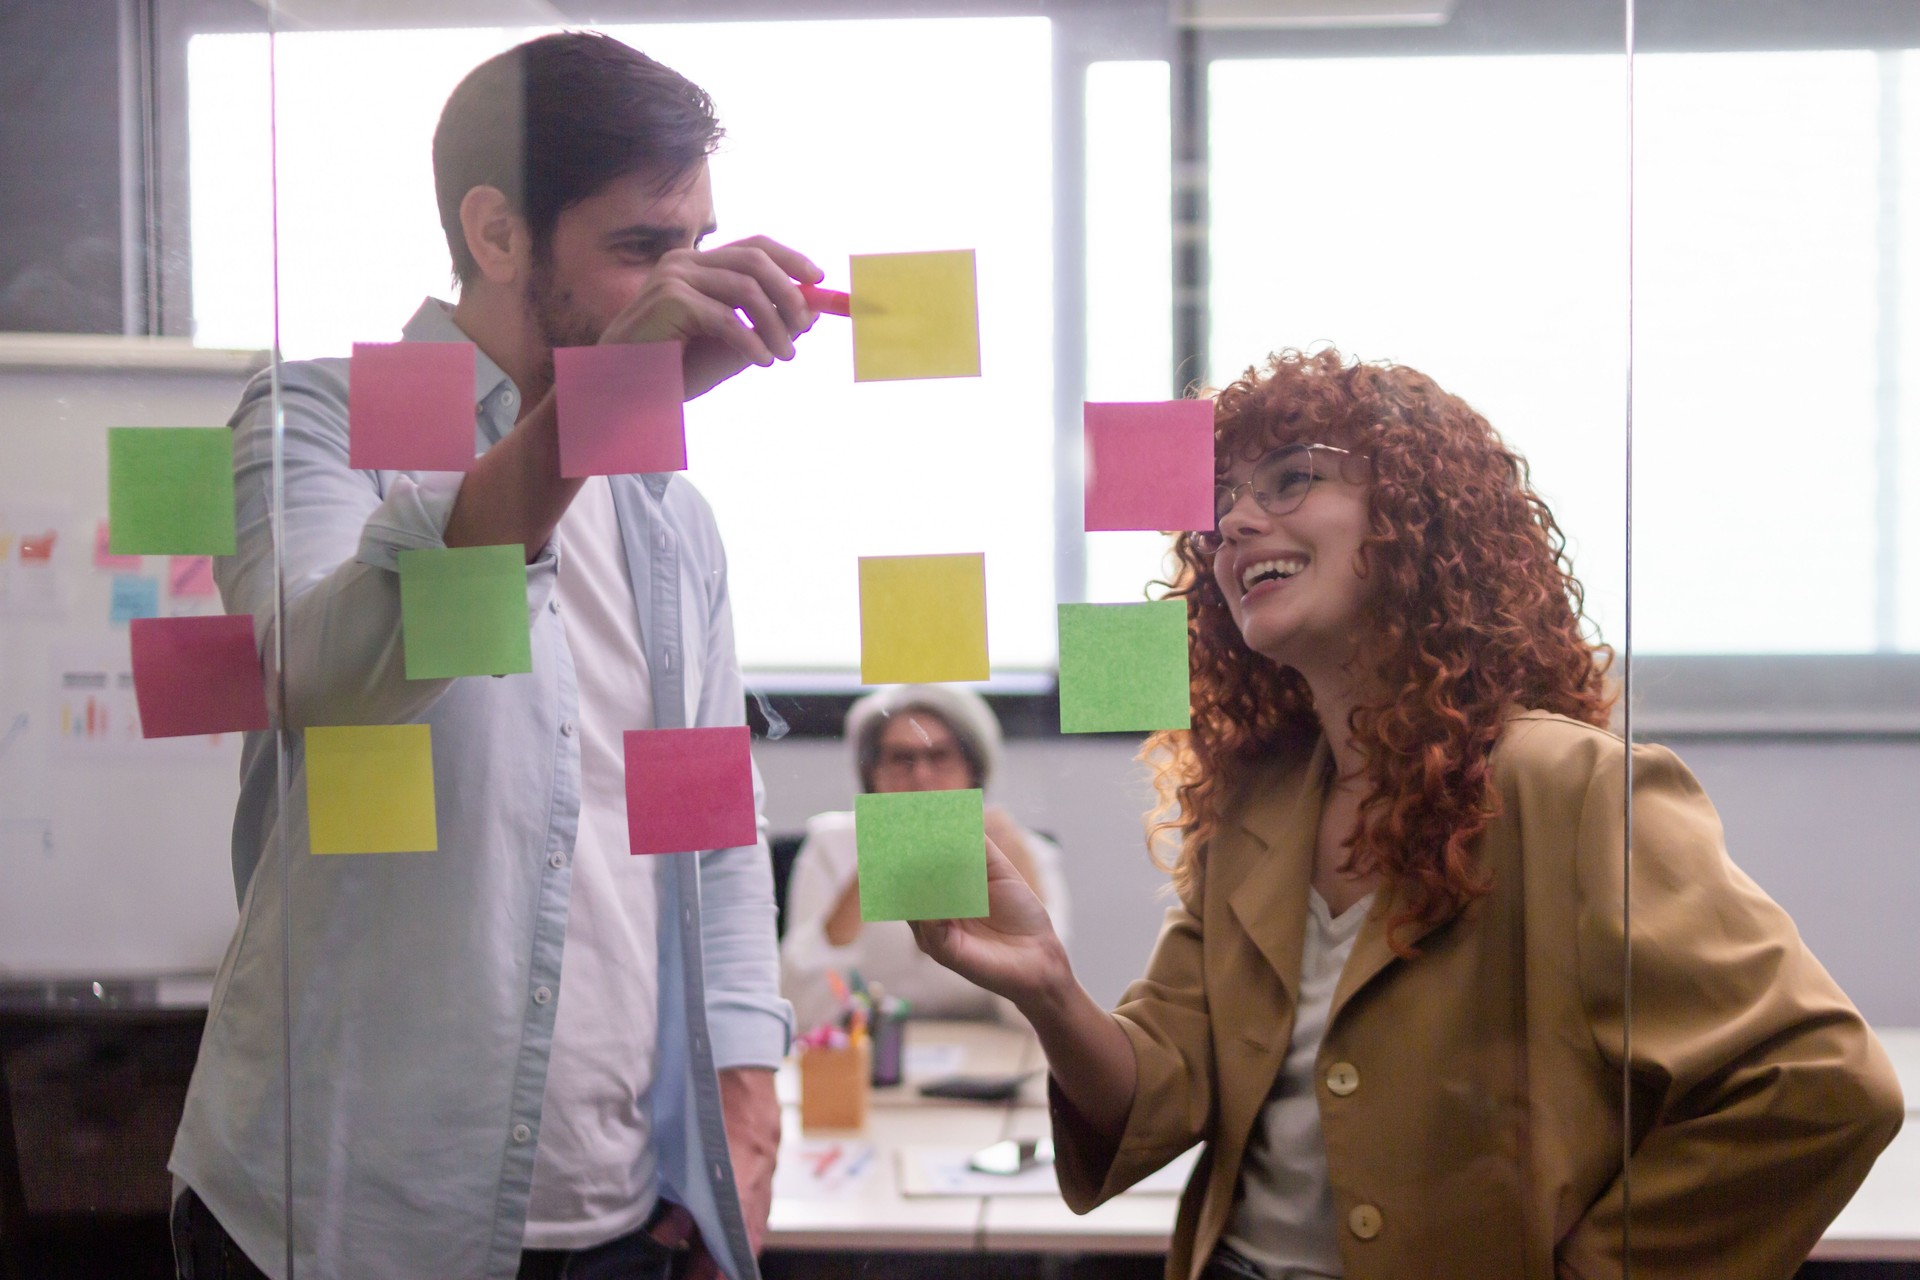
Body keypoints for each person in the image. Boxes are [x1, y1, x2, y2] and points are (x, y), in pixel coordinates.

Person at [911, 347, 1905, 1279]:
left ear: (1416, 516)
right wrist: (1047, 986)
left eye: (1291, 477)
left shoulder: (1573, 786)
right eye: (1219, 504)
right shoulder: (1254, 802)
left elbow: (1820, 1083)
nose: (1235, 522)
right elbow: (1161, 1092)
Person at [170, 32, 823, 1280]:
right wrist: (593, 416)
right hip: (345, 1212)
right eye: (640, 247)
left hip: (626, 1216)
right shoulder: (325, 415)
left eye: (695, 242)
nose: (679, 286)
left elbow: (707, 825)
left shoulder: (670, 515)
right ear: (496, 230)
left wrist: (742, 1105)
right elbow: (330, 673)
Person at [780, 684, 1070, 1031]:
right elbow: (802, 1015)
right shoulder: (831, 847)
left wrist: (1020, 871)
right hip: (869, 1054)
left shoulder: (1021, 849)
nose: (921, 776)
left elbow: (1045, 1013)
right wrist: (864, 881)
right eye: (900, 759)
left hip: (986, 1056)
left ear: (973, 771)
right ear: (872, 774)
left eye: (940, 756)